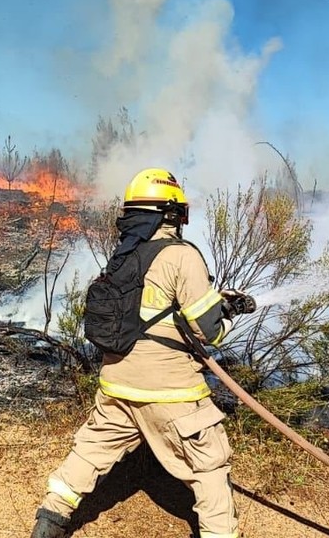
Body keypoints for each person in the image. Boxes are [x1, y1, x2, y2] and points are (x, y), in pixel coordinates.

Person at [31, 168, 242, 538]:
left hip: (117, 385)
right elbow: (207, 332)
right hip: (172, 392)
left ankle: (49, 520)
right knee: (209, 465)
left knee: (91, 451)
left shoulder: (123, 258)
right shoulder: (182, 256)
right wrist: (229, 316)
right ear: (172, 214)